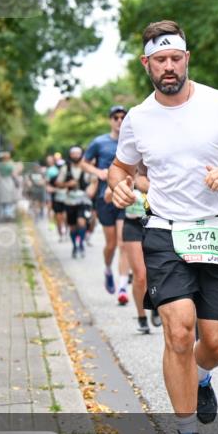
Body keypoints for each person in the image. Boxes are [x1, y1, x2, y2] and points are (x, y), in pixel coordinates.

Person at [109, 20, 218, 434]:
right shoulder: (139, 118)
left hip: (217, 231)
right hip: (164, 233)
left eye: (175, 58)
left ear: (187, 59)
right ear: (146, 64)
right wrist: (120, 187)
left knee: (215, 343)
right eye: (159, 60)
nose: (168, 67)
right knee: (179, 330)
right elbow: (120, 169)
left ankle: (203, 375)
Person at [84, 106, 132, 305]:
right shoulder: (99, 142)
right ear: (110, 120)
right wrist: (98, 173)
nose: (120, 121)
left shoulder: (132, 141)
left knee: (123, 243)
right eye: (116, 117)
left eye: (123, 117)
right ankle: (107, 269)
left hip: (125, 197)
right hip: (105, 198)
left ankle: (122, 286)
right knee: (111, 244)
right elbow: (84, 162)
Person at [113, 165, 160, 334]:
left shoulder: (160, 169)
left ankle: (155, 305)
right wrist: (123, 191)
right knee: (140, 276)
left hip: (157, 224)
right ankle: (141, 316)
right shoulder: (127, 171)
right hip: (133, 226)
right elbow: (109, 194)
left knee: (155, 273)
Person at [58, 146, 94, 257]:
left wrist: (92, 187)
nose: (76, 155)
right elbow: (58, 183)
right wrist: (67, 184)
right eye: (73, 153)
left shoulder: (87, 167)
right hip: (70, 200)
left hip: (83, 199)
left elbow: (93, 180)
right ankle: (74, 246)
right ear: (70, 155)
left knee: (81, 222)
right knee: (72, 226)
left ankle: (81, 243)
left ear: (81, 154)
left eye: (78, 153)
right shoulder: (65, 168)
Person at [46, 155, 67, 241]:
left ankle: (66, 231)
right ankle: (60, 234)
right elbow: (48, 185)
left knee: (66, 215)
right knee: (58, 215)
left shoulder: (68, 174)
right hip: (56, 197)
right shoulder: (52, 173)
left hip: (67, 197)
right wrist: (53, 189)